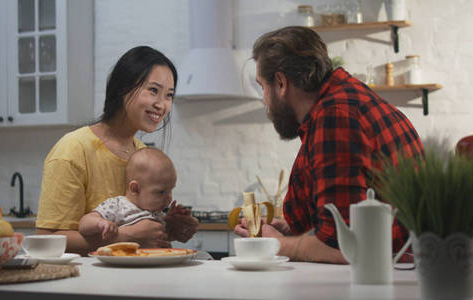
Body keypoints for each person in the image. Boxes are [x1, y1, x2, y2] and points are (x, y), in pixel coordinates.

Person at [234, 26, 424, 263]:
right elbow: (341, 225)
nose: (264, 100)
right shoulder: (346, 101)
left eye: (262, 86)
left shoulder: (336, 117)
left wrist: (278, 244)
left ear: (281, 83)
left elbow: (345, 246)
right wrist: (291, 233)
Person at [36, 46, 198, 256]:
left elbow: (137, 226)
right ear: (123, 88)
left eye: (169, 95)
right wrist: (124, 237)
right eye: (153, 90)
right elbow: (45, 239)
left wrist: (169, 229)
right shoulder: (74, 149)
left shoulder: (141, 153)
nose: (162, 105)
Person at [79, 148, 177, 242]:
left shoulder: (158, 213)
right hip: (126, 258)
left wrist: (173, 222)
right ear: (135, 189)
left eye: (170, 190)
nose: (169, 198)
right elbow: (84, 223)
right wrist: (101, 223)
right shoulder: (118, 206)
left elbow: (163, 237)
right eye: (161, 192)